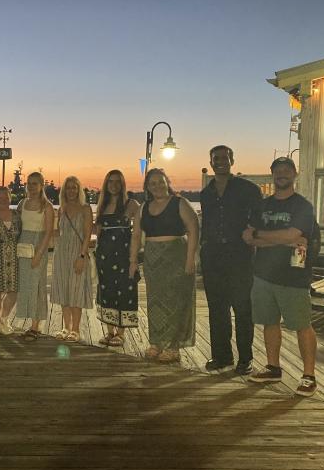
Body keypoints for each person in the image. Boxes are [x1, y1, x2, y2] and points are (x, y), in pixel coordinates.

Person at [244, 157, 318, 397]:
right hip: (263, 274)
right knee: (269, 322)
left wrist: (263, 236)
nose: (282, 174)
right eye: (277, 171)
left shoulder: (303, 206)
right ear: (272, 175)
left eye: (287, 170)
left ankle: (309, 376)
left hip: (293, 275)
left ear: (294, 174)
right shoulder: (262, 206)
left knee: (302, 325)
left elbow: (293, 234)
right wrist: (280, 238)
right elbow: (248, 237)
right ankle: (273, 367)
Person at [200, 146, 262, 375]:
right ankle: (221, 356)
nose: (220, 162)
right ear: (211, 161)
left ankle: (245, 359)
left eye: (224, 158)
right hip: (213, 255)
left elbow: (259, 214)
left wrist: (252, 230)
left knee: (243, 307)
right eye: (216, 159)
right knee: (217, 308)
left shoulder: (248, 189)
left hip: (239, 255)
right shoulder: (206, 193)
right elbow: (205, 223)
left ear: (232, 160)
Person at [130, 168, 199, 363]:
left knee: (177, 300)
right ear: (147, 187)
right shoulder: (144, 207)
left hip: (177, 256)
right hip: (153, 259)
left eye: (160, 182)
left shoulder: (180, 203)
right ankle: (157, 342)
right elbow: (136, 235)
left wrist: (190, 259)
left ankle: (173, 346)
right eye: (152, 184)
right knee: (155, 301)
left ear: (167, 182)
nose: (157, 186)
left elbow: (193, 230)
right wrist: (133, 261)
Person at [94, 170, 140, 347]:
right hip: (105, 256)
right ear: (106, 184)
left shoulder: (131, 204)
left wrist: (135, 258)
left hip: (124, 256)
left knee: (125, 290)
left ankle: (121, 333)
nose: (113, 185)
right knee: (106, 291)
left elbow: (139, 231)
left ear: (122, 184)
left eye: (117, 182)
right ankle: (110, 332)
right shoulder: (102, 205)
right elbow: (98, 233)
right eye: (110, 181)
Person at [51, 176, 93, 341]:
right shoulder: (62, 209)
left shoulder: (85, 209)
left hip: (77, 252)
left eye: (74, 187)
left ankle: (75, 329)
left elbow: (88, 234)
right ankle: (65, 327)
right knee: (64, 290)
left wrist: (82, 256)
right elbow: (57, 232)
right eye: (68, 188)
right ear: (64, 191)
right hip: (61, 254)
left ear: (79, 189)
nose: (71, 191)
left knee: (76, 291)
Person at [16, 172, 55, 341]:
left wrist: (39, 254)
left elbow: (48, 233)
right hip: (23, 247)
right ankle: (29, 321)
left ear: (41, 186)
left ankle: (35, 325)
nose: (31, 187)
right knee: (25, 285)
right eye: (29, 183)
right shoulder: (22, 203)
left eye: (35, 183)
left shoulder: (46, 207)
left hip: (38, 246)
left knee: (37, 285)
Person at [0, 186, 20, 336]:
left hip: (15, 258)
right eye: (0, 198)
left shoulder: (17, 215)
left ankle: (5, 318)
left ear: (10, 198)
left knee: (13, 290)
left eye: (6, 198)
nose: (3, 201)